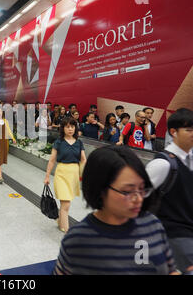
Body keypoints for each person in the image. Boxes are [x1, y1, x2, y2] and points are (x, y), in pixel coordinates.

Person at [53, 145, 179, 275]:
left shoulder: (152, 224)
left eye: (142, 189)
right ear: (100, 190)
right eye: (127, 191)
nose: (138, 199)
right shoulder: (78, 240)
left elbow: (170, 270)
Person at [145, 108, 193, 274]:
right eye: (189, 130)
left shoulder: (191, 160)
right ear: (173, 132)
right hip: (173, 234)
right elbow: (136, 197)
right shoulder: (163, 164)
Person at [44, 117, 86, 232]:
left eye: (72, 127)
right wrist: (47, 176)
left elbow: (83, 160)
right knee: (66, 202)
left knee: (66, 202)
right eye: (67, 127)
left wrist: (84, 175)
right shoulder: (59, 142)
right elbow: (52, 160)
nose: (70, 129)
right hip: (61, 173)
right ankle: (66, 229)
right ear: (63, 128)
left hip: (73, 174)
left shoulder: (79, 142)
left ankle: (60, 221)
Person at [0, 108, 17, 184]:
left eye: (1, 111)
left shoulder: (5, 121)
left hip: (4, 142)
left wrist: (13, 138)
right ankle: (0, 177)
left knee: (0, 159)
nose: (0, 113)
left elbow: (9, 130)